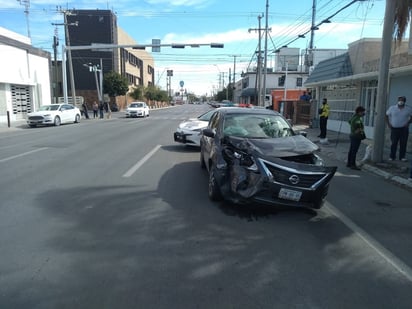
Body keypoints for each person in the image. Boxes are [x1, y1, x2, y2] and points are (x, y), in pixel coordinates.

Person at [385, 96, 412, 161]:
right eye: (400, 100)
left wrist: (408, 123)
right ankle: (392, 156)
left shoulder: (408, 109)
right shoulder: (392, 108)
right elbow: (386, 115)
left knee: (403, 143)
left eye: (402, 100)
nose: (401, 101)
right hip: (394, 128)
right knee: (394, 143)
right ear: (397, 101)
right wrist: (388, 124)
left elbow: (411, 117)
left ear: (404, 101)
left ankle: (402, 157)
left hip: (404, 129)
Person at [347, 106, 366, 170]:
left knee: (351, 150)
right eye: (363, 112)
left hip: (352, 135)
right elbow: (357, 126)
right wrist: (358, 130)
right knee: (354, 151)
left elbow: (349, 121)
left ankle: (349, 163)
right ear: (359, 112)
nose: (363, 113)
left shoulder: (354, 116)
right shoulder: (357, 118)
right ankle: (353, 164)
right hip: (356, 136)